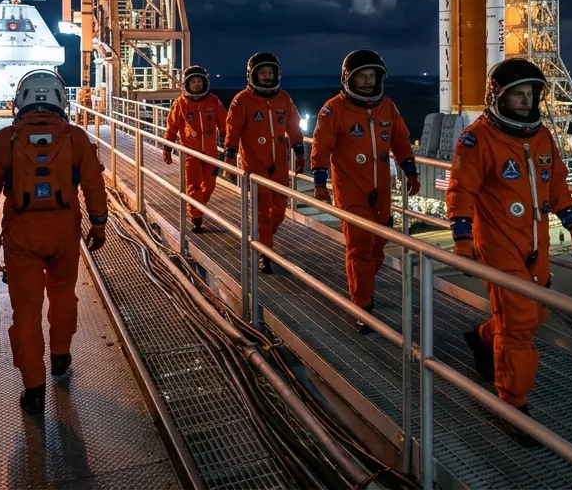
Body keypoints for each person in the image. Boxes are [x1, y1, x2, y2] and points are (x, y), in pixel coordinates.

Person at [446, 58, 572, 443]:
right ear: (498, 98)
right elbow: (461, 189)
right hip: (497, 243)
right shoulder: (478, 139)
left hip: (535, 243)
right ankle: (513, 404)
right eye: (517, 95)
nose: (525, 102)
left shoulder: (540, 137)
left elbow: (555, 183)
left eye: (531, 95)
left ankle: (482, 337)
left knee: (530, 314)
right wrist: (461, 237)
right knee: (521, 321)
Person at [0, 69, 109, 415]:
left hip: (22, 236)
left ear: (20, 100)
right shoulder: (76, 138)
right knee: (63, 295)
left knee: (27, 311)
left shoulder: (6, 139)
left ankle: (34, 388)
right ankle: (60, 358)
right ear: (62, 99)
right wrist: (99, 224)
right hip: (64, 232)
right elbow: (93, 184)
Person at [311, 50, 419, 333]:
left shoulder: (388, 108)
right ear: (349, 78)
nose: (368, 82)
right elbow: (321, 146)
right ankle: (362, 306)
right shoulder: (334, 110)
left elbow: (401, 141)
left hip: (381, 189)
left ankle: (364, 286)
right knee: (360, 245)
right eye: (362, 76)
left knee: (378, 246)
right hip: (351, 189)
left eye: (372, 76)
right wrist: (320, 183)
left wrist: (411, 171)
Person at [223, 52, 304, 274]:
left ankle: (263, 236)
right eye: (262, 73)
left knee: (279, 209)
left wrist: (299, 152)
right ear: (253, 75)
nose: (267, 77)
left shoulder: (284, 99)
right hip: (254, 163)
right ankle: (263, 253)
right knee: (262, 211)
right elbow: (233, 130)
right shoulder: (242, 100)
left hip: (278, 163)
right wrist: (229, 157)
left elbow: (294, 126)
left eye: (270, 72)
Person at [163, 65, 228, 232]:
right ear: (187, 84)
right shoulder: (180, 104)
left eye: (200, 81)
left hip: (211, 153)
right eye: (193, 82)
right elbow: (172, 126)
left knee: (210, 185)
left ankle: (197, 205)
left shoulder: (213, 101)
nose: (197, 85)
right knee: (194, 185)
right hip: (190, 153)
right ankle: (196, 218)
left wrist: (227, 143)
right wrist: (167, 148)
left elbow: (224, 123)